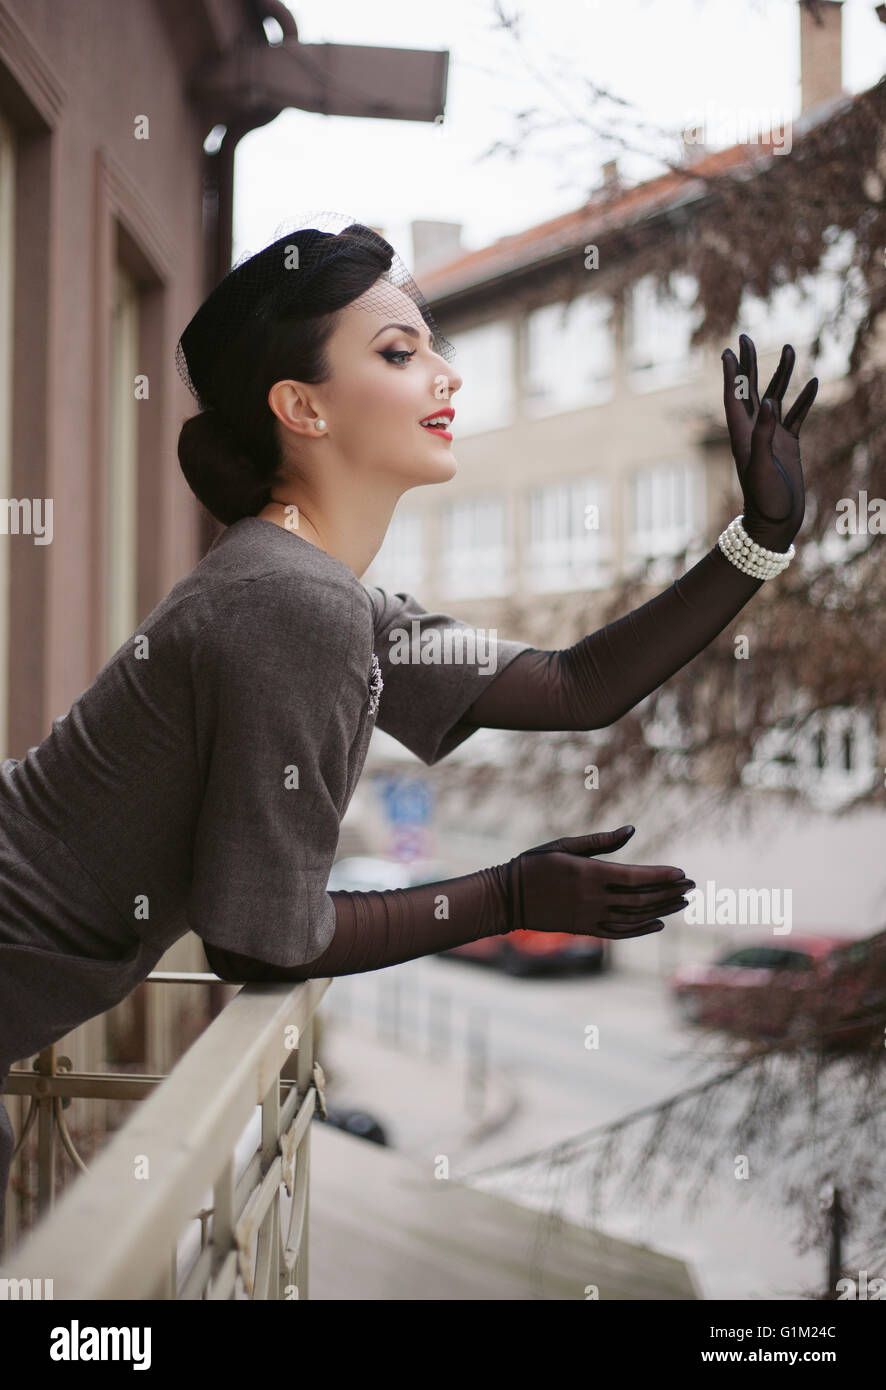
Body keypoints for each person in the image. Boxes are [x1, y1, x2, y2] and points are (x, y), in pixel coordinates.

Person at [0, 216, 817, 1233]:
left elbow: (573, 685)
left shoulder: (322, 592)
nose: (447, 376)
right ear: (301, 406)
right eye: (400, 351)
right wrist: (509, 892)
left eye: (431, 344)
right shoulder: (292, 601)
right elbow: (264, 942)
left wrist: (761, 537)